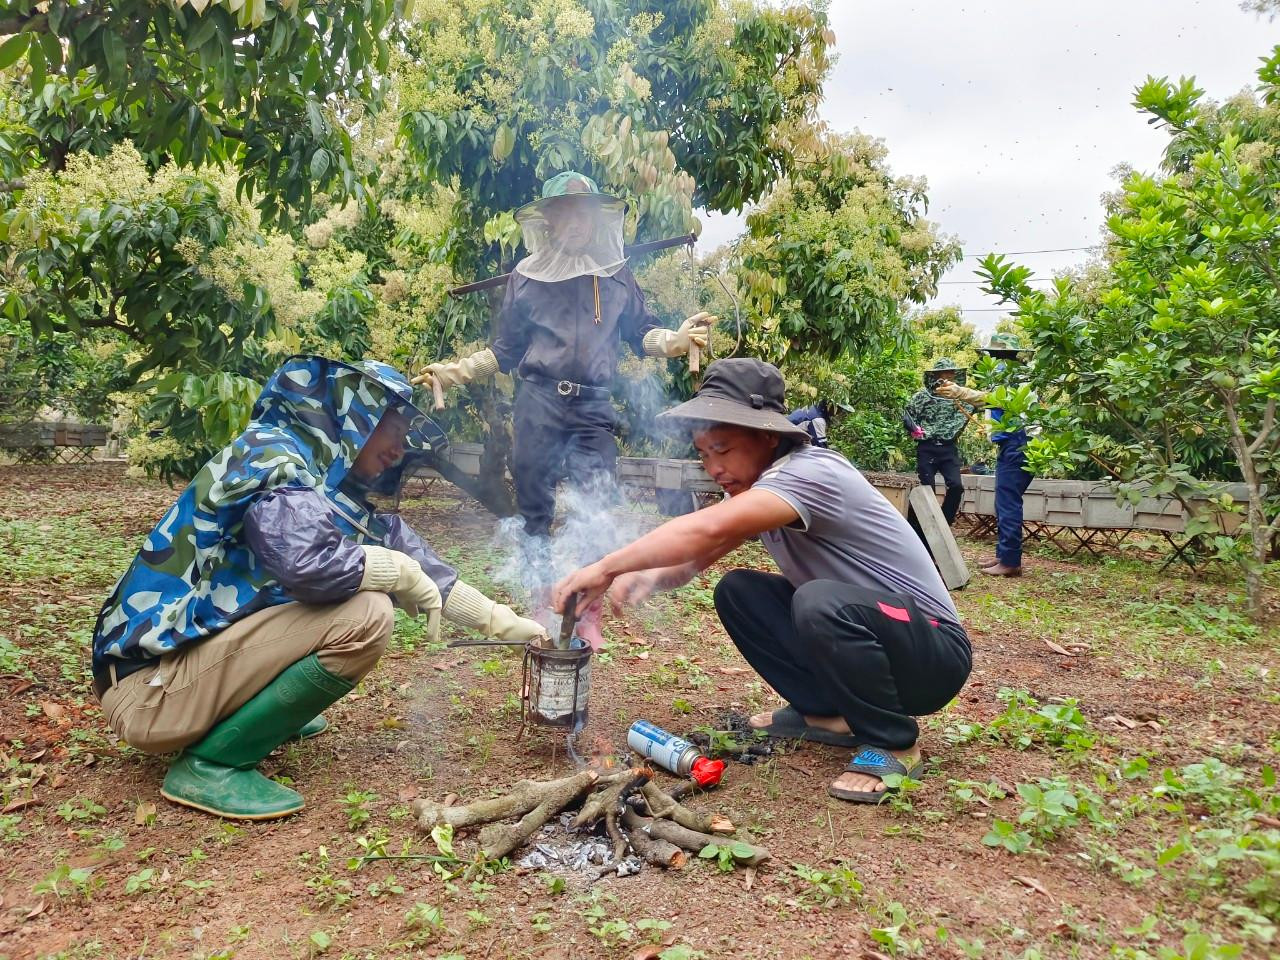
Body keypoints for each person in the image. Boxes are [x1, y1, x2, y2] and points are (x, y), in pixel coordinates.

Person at [91, 356, 547, 820]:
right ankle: (212, 764)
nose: (399, 449)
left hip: (182, 673)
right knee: (367, 613)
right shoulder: (274, 458)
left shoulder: (327, 487)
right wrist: (395, 572)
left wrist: (506, 624)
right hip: (148, 692)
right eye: (394, 430)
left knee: (365, 591)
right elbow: (306, 563)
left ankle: (255, 712)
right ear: (355, 415)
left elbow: (424, 568)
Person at [552, 358, 972, 804]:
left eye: (724, 448)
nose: (714, 466)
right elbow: (697, 554)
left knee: (818, 601)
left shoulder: (810, 473)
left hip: (933, 653)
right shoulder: (765, 489)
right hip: (884, 641)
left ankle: (894, 742)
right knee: (739, 592)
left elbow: (706, 528)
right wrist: (642, 578)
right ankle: (826, 714)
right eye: (703, 453)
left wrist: (606, 566)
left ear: (767, 436)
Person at [414, 171, 711, 542]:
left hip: (594, 408)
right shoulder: (525, 277)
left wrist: (674, 341)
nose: (577, 223)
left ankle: (587, 595)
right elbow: (505, 351)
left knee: (596, 513)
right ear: (549, 221)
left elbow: (641, 333)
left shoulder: (616, 274)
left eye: (584, 213)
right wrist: (455, 372)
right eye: (566, 214)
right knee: (534, 513)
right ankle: (538, 594)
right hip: (539, 403)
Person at [935, 332, 1033, 576]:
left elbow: (995, 400)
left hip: (1018, 443)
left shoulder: (1014, 377)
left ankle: (1010, 561)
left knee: (1008, 502)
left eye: (996, 354)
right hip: (1011, 443)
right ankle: (1004, 555)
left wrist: (961, 392)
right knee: (1004, 502)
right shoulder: (1010, 374)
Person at [903, 358, 977, 525]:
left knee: (956, 486)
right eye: (943, 373)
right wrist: (914, 430)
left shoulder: (962, 397)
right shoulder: (921, 397)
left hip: (948, 448)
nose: (946, 377)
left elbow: (983, 402)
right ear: (935, 375)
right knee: (927, 490)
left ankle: (944, 522)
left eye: (950, 373)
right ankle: (920, 527)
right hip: (927, 447)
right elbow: (908, 416)